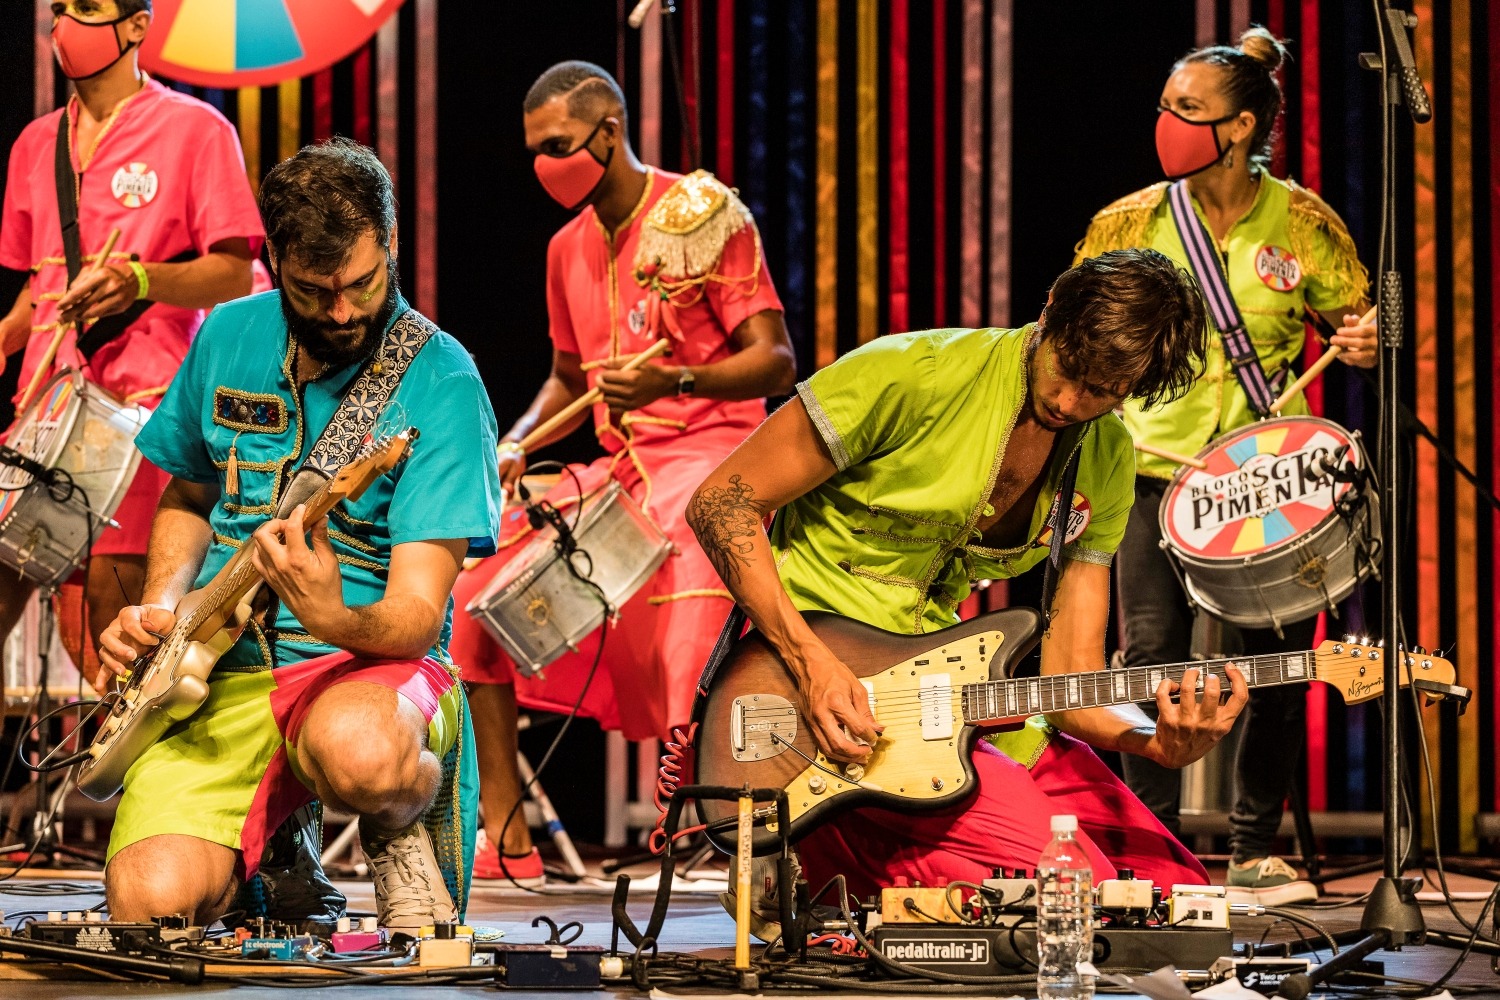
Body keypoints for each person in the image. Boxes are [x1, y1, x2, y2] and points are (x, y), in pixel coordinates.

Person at [688, 248, 1247, 920]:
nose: (1071, 401)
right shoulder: (908, 375)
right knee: (1077, 901)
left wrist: (1154, 740)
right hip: (820, 710)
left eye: (1102, 393)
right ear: (1048, 314)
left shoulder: (1107, 458)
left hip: (955, 710)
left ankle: (835, 868)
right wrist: (813, 666)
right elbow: (721, 501)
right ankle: (810, 853)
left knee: (1168, 895)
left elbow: (1074, 683)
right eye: (1068, 370)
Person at [94, 138, 502, 935]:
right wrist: (160, 610)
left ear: (390, 245)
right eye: (315, 292)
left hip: (370, 668)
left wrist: (330, 618)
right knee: (148, 905)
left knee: (360, 756)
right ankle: (277, 853)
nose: (344, 312)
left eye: (363, 283)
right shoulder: (224, 335)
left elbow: (418, 617)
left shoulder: (444, 381)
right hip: (220, 671)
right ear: (274, 262)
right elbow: (187, 488)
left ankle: (400, 818)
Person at [449, 61, 794, 885]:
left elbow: (776, 363)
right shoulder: (565, 246)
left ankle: (703, 830)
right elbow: (570, 377)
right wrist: (519, 439)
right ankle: (508, 829)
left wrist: (677, 380)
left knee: (684, 612)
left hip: (712, 455)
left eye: (559, 145)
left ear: (611, 132)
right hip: (619, 469)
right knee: (467, 597)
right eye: (534, 150)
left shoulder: (701, 216)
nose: (545, 166)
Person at [1073, 28, 1375, 904]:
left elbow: (1361, 328)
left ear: (1241, 127)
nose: (1167, 122)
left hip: (1264, 477)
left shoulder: (1304, 222)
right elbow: (1072, 334)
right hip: (1150, 471)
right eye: (1168, 106)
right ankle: (1154, 846)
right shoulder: (1127, 224)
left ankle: (1253, 845)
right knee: (1152, 654)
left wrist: (1362, 344)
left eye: (1189, 110)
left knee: (1276, 659)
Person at [0, 0, 261, 679]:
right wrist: (6, 333)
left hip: (146, 411)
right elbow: (42, 283)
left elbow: (237, 273)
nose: (65, 27)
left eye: (86, 8)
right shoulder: (35, 143)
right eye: (60, 10)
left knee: (109, 635)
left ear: (138, 25)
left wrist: (142, 280)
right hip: (48, 407)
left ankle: (120, 783)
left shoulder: (197, 130)